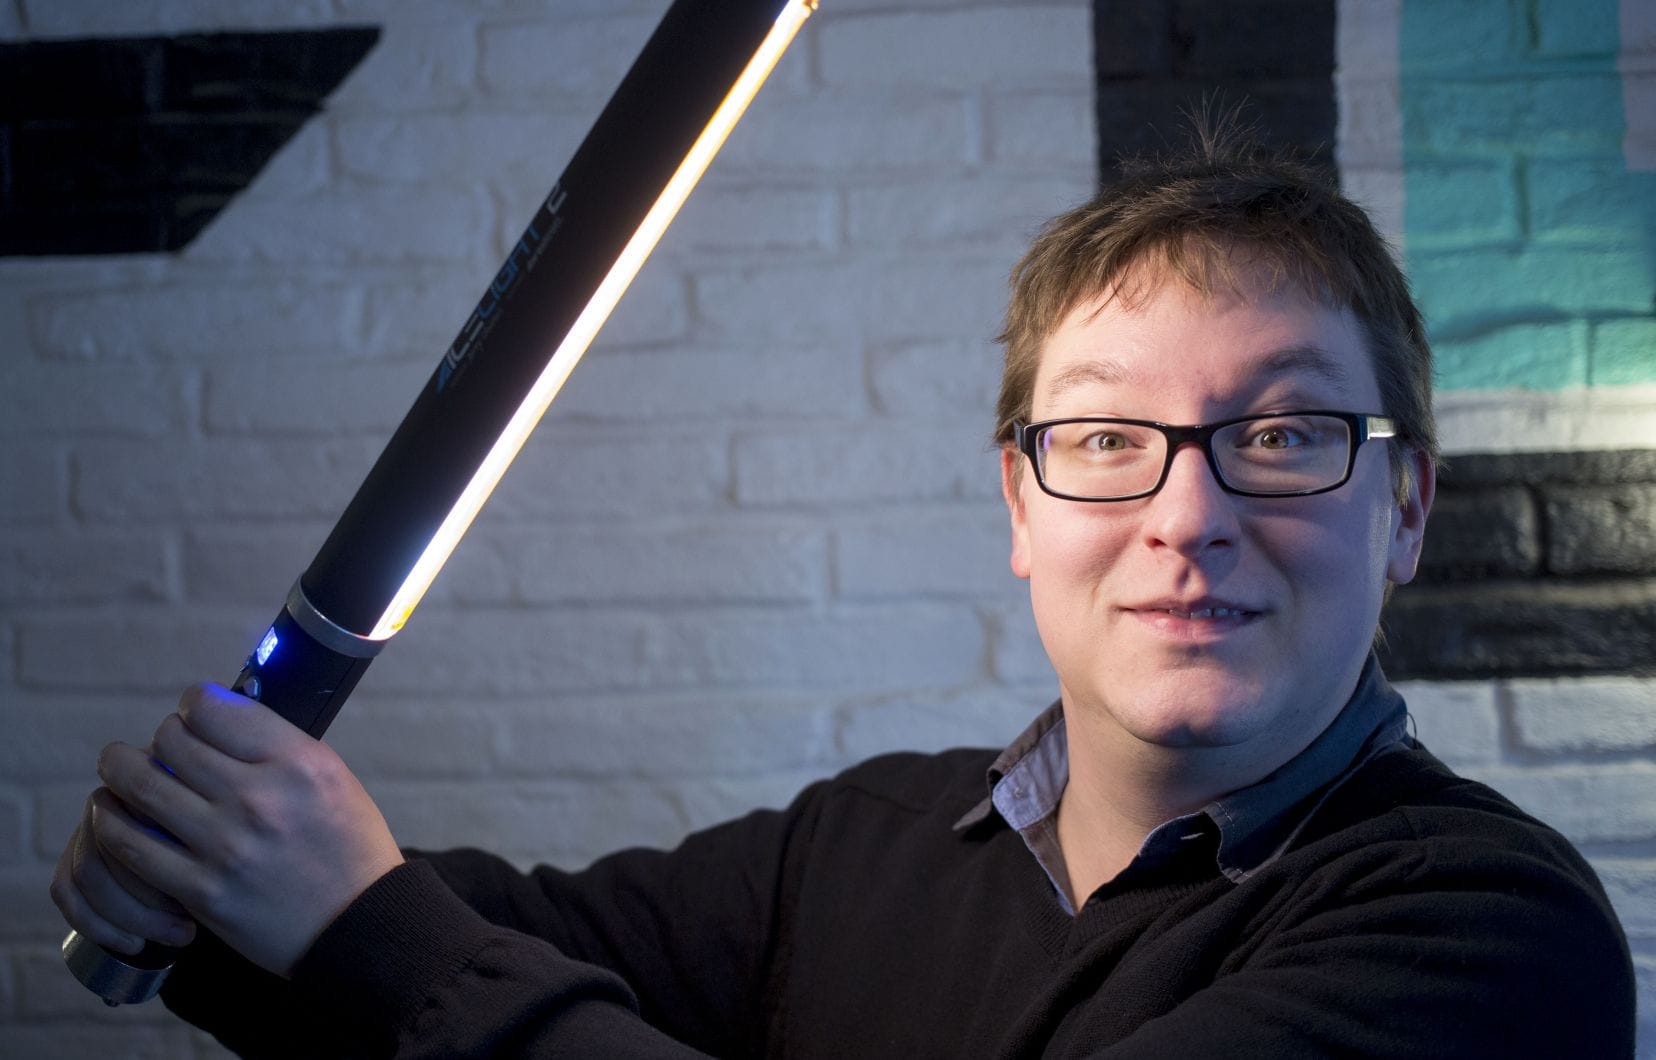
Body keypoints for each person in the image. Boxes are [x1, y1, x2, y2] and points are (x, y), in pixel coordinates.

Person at [52, 122, 1635, 1057]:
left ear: (1405, 506)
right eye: (1104, 438)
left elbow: (418, 965)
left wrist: (360, 926)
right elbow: (490, 940)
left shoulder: (1490, 933)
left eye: (1280, 435)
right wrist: (210, 886)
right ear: (1020, 503)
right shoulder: (861, 844)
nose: (1186, 514)